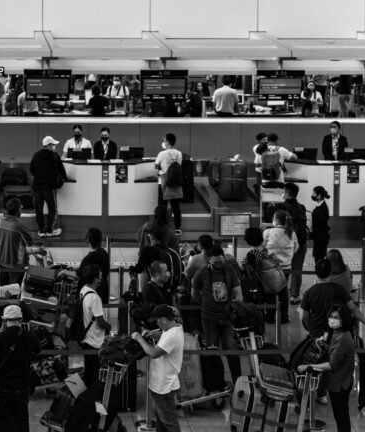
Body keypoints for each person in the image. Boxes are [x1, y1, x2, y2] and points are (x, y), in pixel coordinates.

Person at [0, 305, 40, 432]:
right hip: (22, 387)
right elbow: (37, 352)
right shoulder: (30, 336)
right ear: (20, 319)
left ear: (4, 321)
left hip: (1, 386)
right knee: (21, 422)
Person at [297, 304, 355, 432]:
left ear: (343, 319)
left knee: (341, 417)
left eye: (336, 317)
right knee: (340, 415)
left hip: (340, 384)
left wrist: (309, 366)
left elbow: (332, 364)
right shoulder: (337, 332)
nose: (332, 320)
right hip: (338, 381)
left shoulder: (343, 338)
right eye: (331, 316)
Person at [191, 245, 242, 383]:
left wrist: (236, 307)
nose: (219, 265)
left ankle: (238, 383)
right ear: (208, 260)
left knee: (232, 352)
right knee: (212, 353)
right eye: (215, 263)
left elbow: (237, 291)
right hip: (209, 320)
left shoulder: (230, 270)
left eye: (221, 262)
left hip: (227, 319)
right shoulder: (201, 273)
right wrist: (206, 304)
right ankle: (216, 385)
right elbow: (194, 294)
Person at [131, 305, 184, 432]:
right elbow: (165, 337)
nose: (157, 323)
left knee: (169, 422)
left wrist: (139, 339)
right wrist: (155, 334)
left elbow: (154, 353)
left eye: (157, 320)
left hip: (163, 386)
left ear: (164, 319)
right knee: (162, 419)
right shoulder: (175, 328)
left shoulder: (172, 336)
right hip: (163, 384)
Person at [301, 258, 365, 340]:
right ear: (330, 272)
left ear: (316, 272)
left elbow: (305, 317)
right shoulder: (339, 289)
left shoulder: (309, 292)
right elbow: (353, 308)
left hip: (316, 333)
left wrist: (311, 330)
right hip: (336, 332)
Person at [77, 264, 111, 387]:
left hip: (85, 338)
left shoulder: (83, 290)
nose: (102, 278)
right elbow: (100, 321)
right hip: (94, 341)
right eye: (100, 276)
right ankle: (92, 398)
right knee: (95, 373)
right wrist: (109, 327)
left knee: (88, 370)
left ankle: (86, 395)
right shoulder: (95, 298)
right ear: (96, 279)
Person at [263, 210, 297, 323]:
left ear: (276, 220)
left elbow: (262, 246)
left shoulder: (268, 232)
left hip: (271, 267)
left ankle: (269, 316)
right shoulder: (291, 233)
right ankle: (284, 317)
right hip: (286, 267)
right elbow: (296, 248)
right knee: (283, 292)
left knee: (270, 292)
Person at [30, 136, 68, 237]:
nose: (55, 146)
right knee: (52, 208)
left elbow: (32, 169)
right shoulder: (54, 155)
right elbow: (61, 169)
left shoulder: (36, 155)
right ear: (49, 146)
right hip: (48, 186)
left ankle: (41, 231)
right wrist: (65, 177)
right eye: (54, 145)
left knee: (39, 209)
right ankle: (50, 230)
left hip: (37, 186)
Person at [279, 183, 308, 305]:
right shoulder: (302, 207)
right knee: (297, 269)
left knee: (283, 268)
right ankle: (294, 295)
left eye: (284, 191)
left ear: (287, 193)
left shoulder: (281, 207)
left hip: (286, 242)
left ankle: (282, 293)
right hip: (301, 242)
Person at [0, 198, 33, 285]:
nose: (21, 209)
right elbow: (30, 242)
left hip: (3, 261)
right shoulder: (19, 226)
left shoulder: (1, 221)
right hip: (16, 265)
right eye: (20, 208)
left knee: (3, 291)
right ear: (17, 210)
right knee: (14, 293)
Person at [155, 133, 183, 234]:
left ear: (168, 142)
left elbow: (156, 165)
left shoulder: (162, 154)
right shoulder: (179, 153)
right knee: (176, 206)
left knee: (162, 205)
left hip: (164, 181)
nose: (163, 142)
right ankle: (177, 227)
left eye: (164, 140)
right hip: (176, 181)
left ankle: (162, 225)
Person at [310, 186, 331, 263]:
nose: (312, 195)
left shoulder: (323, 208)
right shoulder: (319, 206)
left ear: (319, 196)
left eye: (314, 193)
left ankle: (321, 273)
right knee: (317, 257)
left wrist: (312, 234)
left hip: (321, 238)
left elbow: (322, 225)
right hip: (318, 237)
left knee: (319, 258)